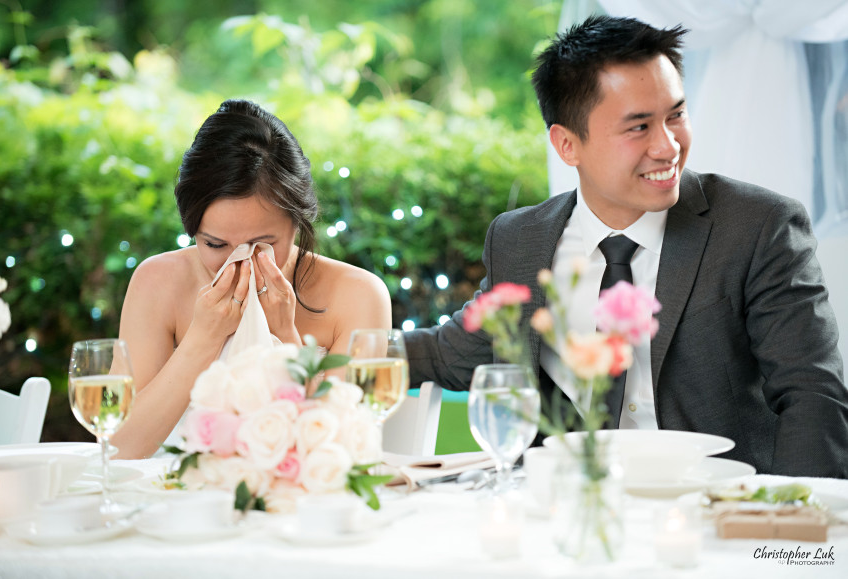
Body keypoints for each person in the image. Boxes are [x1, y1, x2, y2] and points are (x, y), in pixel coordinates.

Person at [405, 15, 848, 478]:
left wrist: (793, 523)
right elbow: (451, 352)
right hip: (569, 512)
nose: (668, 146)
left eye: (676, 114)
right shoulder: (520, 239)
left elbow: (812, 395)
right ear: (567, 145)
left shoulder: (757, 227)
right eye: (639, 127)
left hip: (715, 509)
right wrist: (337, 350)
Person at [112, 100, 391, 459]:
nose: (237, 259)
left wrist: (288, 341)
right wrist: (202, 339)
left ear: (298, 223)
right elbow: (119, 449)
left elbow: (344, 455)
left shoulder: (358, 294)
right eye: (214, 243)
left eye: (262, 244)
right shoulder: (157, 282)